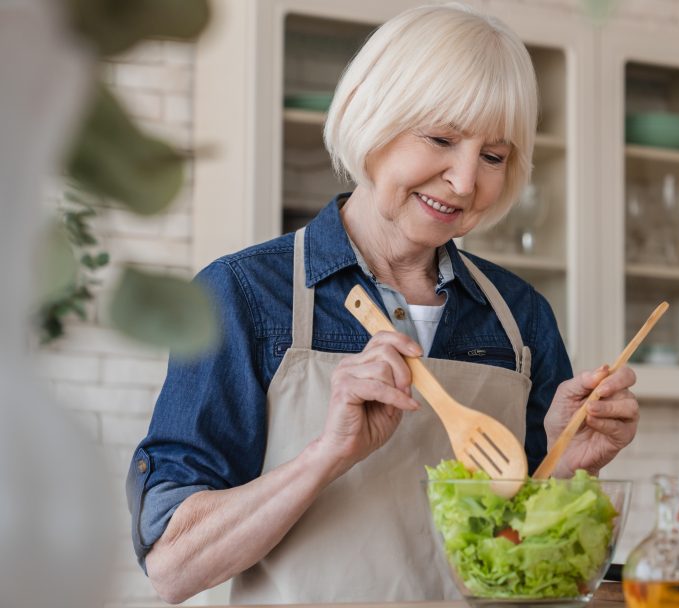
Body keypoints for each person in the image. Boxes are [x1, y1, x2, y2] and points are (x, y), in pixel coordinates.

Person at [125, 3, 640, 605]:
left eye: (493, 156)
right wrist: (327, 455)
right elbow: (174, 566)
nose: (466, 181)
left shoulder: (519, 316)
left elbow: (518, 550)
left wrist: (566, 464)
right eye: (441, 139)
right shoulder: (242, 294)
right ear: (373, 118)